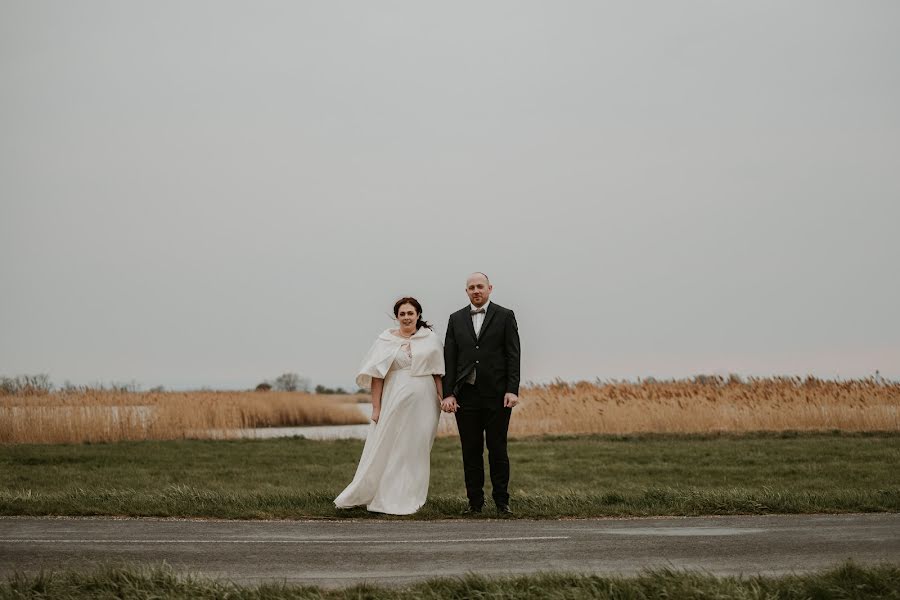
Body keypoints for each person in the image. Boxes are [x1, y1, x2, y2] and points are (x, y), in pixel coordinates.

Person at [334, 297, 445, 515]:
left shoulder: (430, 339)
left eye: (410, 313)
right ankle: (386, 495)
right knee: (392, 446)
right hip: (394, 398)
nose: (406, 317)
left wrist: (443, 399)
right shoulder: (386, 340)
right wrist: (376, 408)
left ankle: (411, 495)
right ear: (397, 317)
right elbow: (377, 377)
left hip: (425, 401)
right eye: (402, 314)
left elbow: (437, 373)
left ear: (418, 315)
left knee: (416, 449)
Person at [441, 273, 520, 515]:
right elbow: (450, 359)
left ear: (489, 288)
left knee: (498, 449)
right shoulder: (455, 319)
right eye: (471, 287)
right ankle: (475, 504)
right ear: (466, 291)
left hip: (497, 396)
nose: (476, 291)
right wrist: (448, 393)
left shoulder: (505, 315)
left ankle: (502, 503)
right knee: (470, 451)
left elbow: (513, 355)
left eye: (480, 287)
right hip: (466, 396)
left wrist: (512, 389)